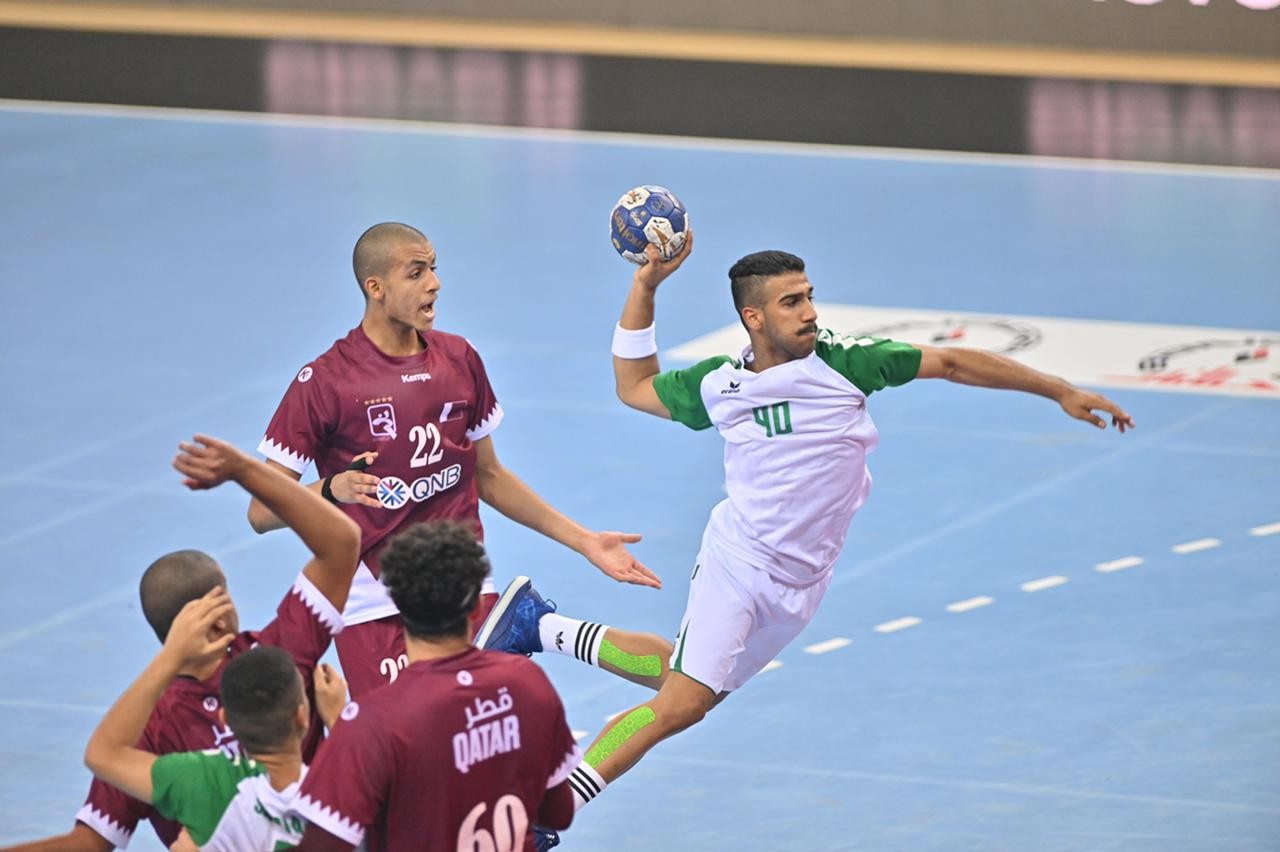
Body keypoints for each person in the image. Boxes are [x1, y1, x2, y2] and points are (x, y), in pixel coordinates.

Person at [478, 234, 1136, 814]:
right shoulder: (720, 386)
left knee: (686, 682)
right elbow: (634, 384)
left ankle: (540, 627)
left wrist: (1059, 389)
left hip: (803, 581)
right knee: (682, 704)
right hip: (740, 562)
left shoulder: (847, 363)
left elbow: (953, 362)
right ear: (754, 317)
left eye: (810, 296)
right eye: (792, 302)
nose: (811, 311)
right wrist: (644, 287)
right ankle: (548, 812)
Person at [249, 221, 659, 699]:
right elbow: (261, 513)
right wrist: (330, 488)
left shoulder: (459, 358)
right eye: (416, 272)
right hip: (376, 605)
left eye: (433, 268)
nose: (435, 283)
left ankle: (537, 627)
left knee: (478, 732)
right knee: (408, 739)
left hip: (462, 586)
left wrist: (585, 540)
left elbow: (489, 475)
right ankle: (538, 626)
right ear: (375, 288)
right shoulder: (325, 382)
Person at [5, 436, 358, 851]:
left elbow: (87, 843)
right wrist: (244, 468)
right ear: (220, 614)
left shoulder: (147, 730)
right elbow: (341, 543)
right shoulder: (279, 659)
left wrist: (169, 660)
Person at [293, 520, 580, 852]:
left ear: (398, 605)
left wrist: (336, 725)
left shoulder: (367, 724)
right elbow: (558, 813)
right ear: (476, 607)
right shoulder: (527, 682)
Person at [83, 591, 349, 850]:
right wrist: (339, 721)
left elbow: (103, 754)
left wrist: (170, 657)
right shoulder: (339, 791)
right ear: (302, 717)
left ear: (226, 720)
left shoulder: (201, 782)